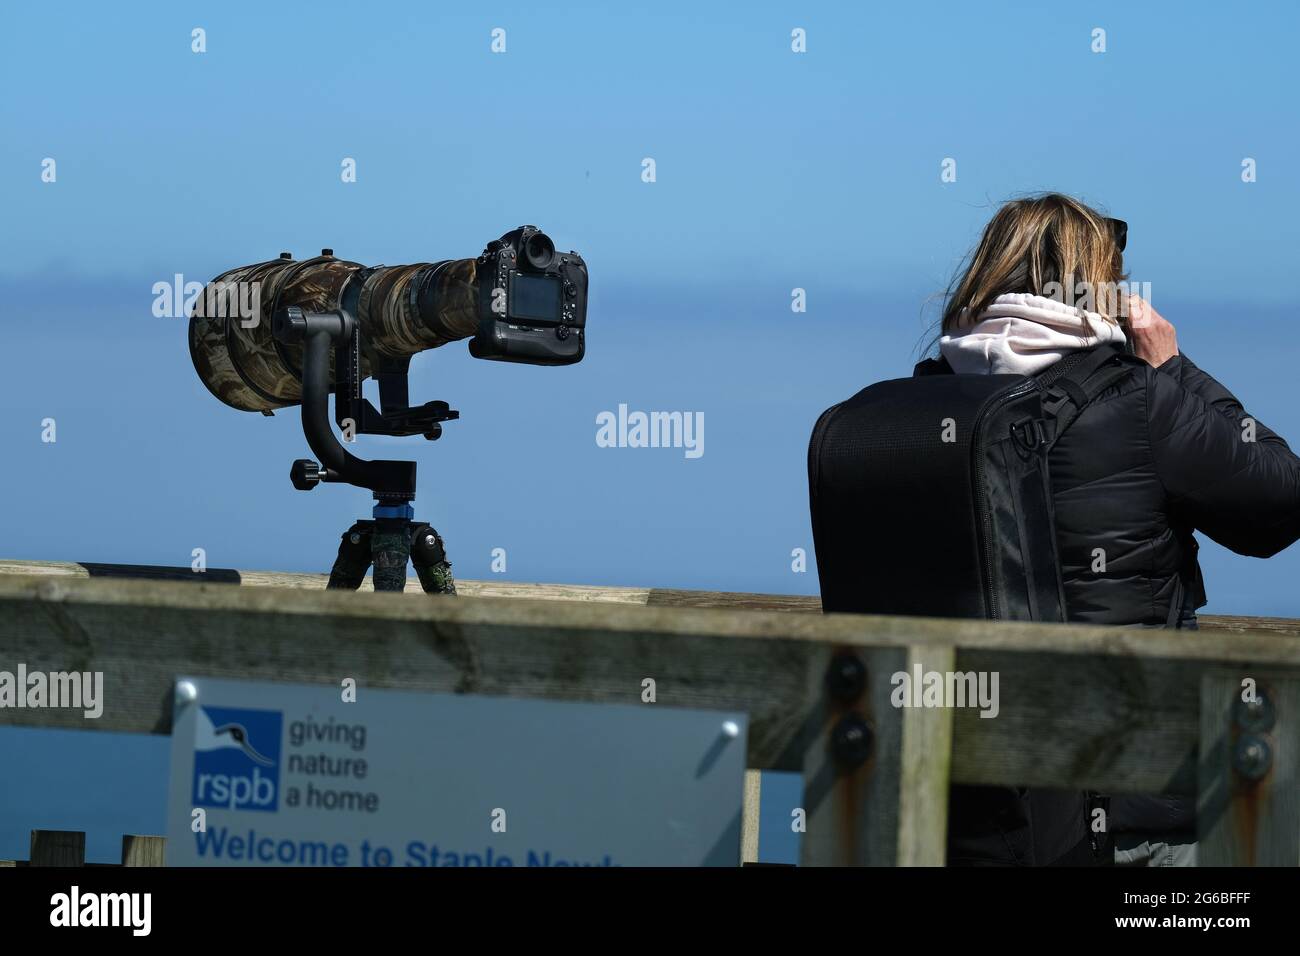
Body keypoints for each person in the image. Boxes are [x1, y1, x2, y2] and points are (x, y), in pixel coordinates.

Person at [933, 193, 1300, 865]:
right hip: (1127, 812)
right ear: (1099, 287)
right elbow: (1280, 499)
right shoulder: (1138, 403)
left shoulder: (922, 407)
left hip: (963, 812)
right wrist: (1173, 368)